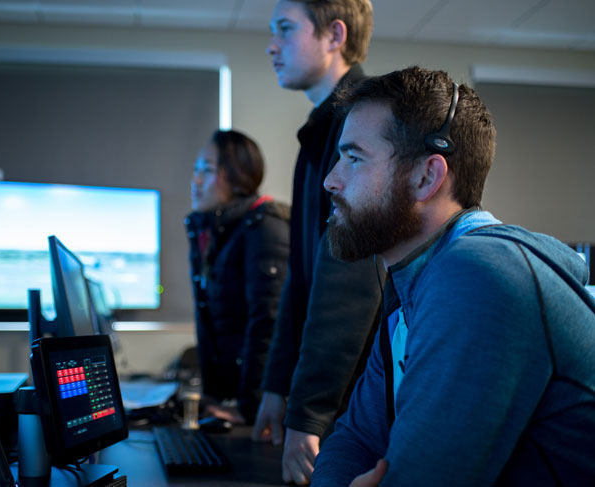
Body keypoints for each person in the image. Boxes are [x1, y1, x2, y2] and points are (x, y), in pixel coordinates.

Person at [312, 66, 595, 486]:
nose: (330, 180)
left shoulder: (478, 275)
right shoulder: (410, 286)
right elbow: (356, 439)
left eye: (354, 158)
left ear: (427, 176)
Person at [251, 1, 382, 484]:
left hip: (358, 405)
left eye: (285, 29)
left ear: (334, 35)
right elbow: (302, 278)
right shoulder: (323, 130)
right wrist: (276, 386)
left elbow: (346, 283)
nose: (271, 45)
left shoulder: (364, 124)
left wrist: (309, 414)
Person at [185, 129, 290, 425]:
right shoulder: (216, 231)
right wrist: (214, 397)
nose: (196, 180)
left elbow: (268, 322)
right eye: (195, 170)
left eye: (206, 170)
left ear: (237, 174)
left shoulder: (264, 226)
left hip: (258, 413)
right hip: (231, 401)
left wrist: (249, 407)